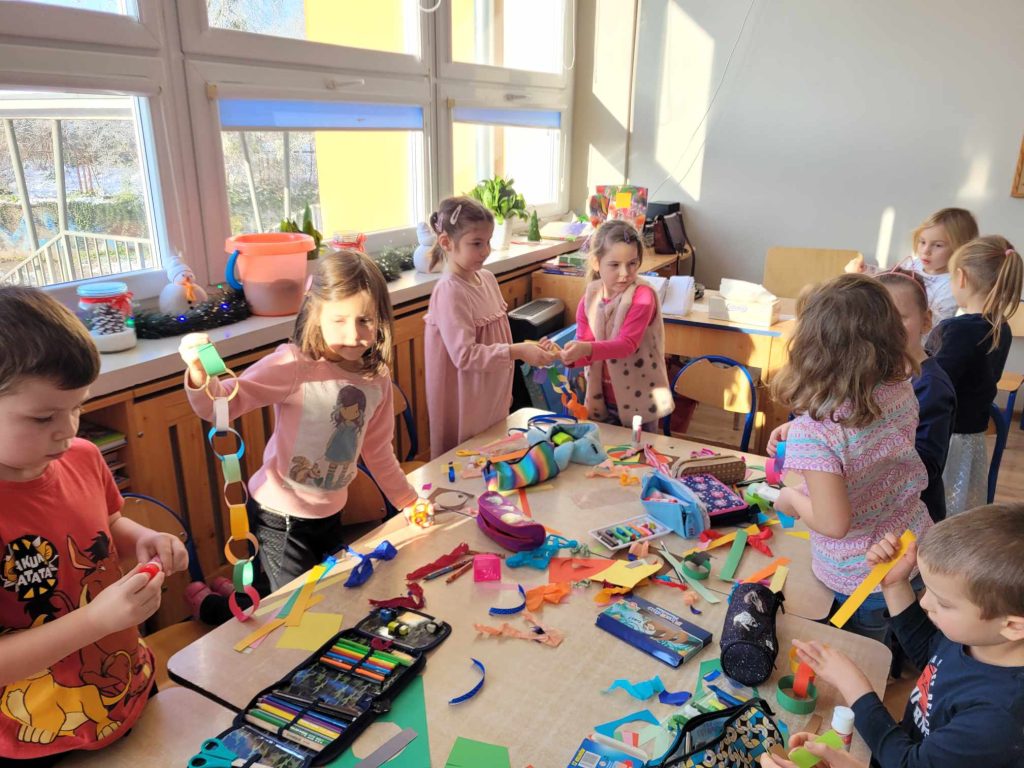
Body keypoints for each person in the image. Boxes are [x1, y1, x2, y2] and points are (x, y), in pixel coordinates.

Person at [0, 286, 188, 765]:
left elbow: (107, 524)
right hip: (36, 738)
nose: (68, 430)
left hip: (127, 689)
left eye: (78, 407)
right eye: (43, 417)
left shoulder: (83, 458)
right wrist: (95, 621)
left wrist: (144, 538)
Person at [179, 250, 419, 593]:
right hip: (281, 519)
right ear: (315, 312)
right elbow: (219, 405)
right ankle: (210, 604)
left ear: (381, 318)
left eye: (365, 321)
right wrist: (198, 371)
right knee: (283, 607)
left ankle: (227, 597)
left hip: (330, 514)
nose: (353, 335)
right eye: (339, 320)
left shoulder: (375, 378)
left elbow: (378, 450)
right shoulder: (293, 366)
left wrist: (409, 501)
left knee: (319, 597)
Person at [760, 504, 1024, 768]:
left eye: (943, 603)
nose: (925, 603)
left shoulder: (998, 720)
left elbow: (907, 764)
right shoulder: (983, 639)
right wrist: (895, 585)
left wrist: (852, 684)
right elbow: (932, 654)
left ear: (1013, 626)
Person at [769, 274, 932, 641]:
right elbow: (868, 441)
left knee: (867, 655)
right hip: (913, 546)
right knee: (903, 642)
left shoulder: (818, 432)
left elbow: (833, 523)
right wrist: (801, 432)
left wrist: (791, 497)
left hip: (862, 579)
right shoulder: (899, 389)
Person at [424, 196, 556, 457]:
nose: (486, 251)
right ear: (446, 242)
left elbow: (499, 338)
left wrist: (530, 348)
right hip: (468, 401)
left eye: (488, 241)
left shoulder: (487, 278)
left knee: (494, 456)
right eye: (476, 243)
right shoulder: (450, 290)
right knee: (469, 462)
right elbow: (465, 355)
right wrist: (518, 351)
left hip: (492, 395)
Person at [927, 235, 1022, 515]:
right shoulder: (1000, 327)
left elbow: (934, 385)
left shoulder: (957, 329)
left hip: (945, 439)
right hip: (972, 440)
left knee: (937, 510)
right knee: (960, 508)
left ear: (961, 277)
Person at [560, 219, 674, 428]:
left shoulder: (643, 296)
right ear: (596, 263)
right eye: (614, 265)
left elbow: (626, 345)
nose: (625, 273)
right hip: (601, 402)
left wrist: (584, 348)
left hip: (641, 403)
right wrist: (564, 355)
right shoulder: (589, 299)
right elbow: (586, 348)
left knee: (639, 449)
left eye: (632, 263)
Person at [877, 269, 956, 522]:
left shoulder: (932, 386)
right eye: (877, 318)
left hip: (913, 517)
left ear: (926, 321)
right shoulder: (875, 373)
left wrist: (868, 452)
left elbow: (927, 466)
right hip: (878, 507)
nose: (887, 328)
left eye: (899, 317)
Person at [847, 207, 979, 323]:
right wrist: (866, 270)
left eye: (938, 245)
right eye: (922, 242)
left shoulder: (952, 285)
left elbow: (937, 324)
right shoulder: (914, 263)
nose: (926, 251)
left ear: (960, 248)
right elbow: (891, 278)